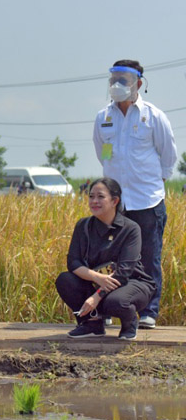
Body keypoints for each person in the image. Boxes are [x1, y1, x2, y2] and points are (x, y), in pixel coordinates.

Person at [93, 59, 177, 329]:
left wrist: (155, 180)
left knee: (148, 257)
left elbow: (169, 155)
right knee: (108, 257)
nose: (117, 85)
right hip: (114, 204)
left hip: (147, 200)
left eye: (124, 80)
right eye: (113, 79)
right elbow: (101, 152)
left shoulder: (153, 116)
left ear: (138, 83)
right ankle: (106, 308)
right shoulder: (103, 117)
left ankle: (149, 312)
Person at [55, 178, 154, 341]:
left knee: (116, 301)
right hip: (100, 280)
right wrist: (97, 278)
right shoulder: (83, 226)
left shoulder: (130, 229)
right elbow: (73, 262)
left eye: (100, 197)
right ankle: (91, 324)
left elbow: (124, 272)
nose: (94, 201)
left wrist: (96, 296)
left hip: (131, 283)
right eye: (91, 196)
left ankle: (130, 323)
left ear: (115, 200)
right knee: (65, 280)